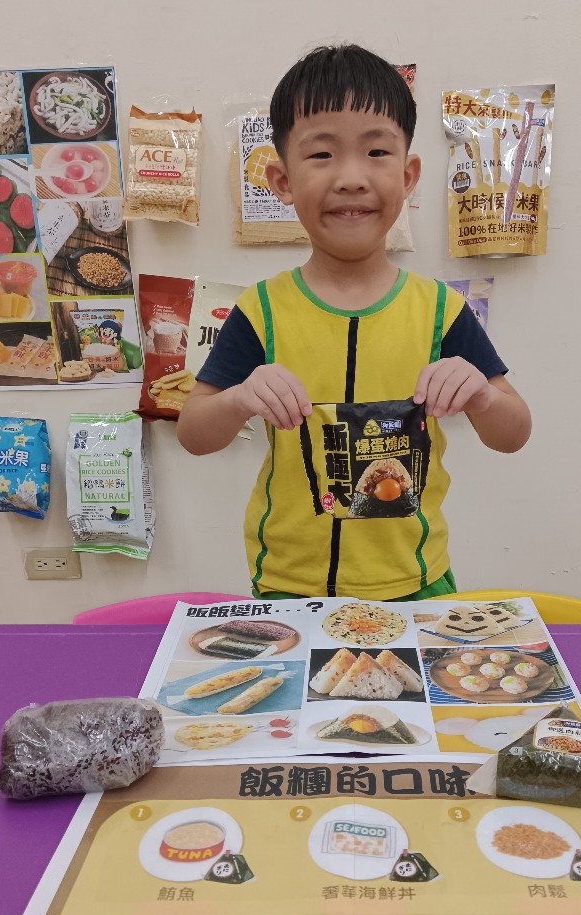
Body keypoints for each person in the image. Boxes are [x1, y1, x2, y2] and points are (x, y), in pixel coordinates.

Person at [177, 44, 531, 601]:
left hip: (417, 583)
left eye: (376, 151)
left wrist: (483, 398)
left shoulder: (441, 310)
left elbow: (514, 434)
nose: (350, 177)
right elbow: (194, 434)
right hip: (290, 586)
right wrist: (240, 398)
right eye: (321, 154)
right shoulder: (261, 310)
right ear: (282, 180)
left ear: (408, 175)